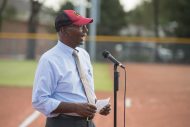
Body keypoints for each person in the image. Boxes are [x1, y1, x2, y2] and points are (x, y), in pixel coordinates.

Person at [32, 10, 111, 127]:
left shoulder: (84, 55)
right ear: (64, 30)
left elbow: (80, 93)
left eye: (86, 26)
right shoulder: (49, 59)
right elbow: (39, 101)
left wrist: (96, 105)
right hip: (63, 123)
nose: (86, 30)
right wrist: (75, 108)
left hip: (88, 123)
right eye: (80, 26)